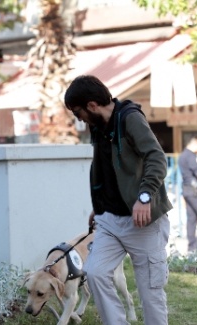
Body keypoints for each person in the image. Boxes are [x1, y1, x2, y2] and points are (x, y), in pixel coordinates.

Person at [64, 75, 171, 325]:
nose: (78, 118)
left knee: (150, 292)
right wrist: (99, 205)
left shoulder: (130, 118)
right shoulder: (97, 127)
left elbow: (156, 158)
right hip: (109, 220)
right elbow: (108, 170)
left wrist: (144, 197)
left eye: (78, 112)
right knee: (94, 272)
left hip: (143, 221)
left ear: (91, 105)